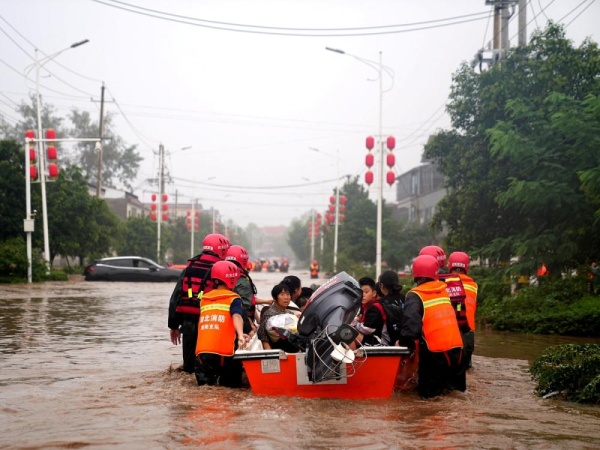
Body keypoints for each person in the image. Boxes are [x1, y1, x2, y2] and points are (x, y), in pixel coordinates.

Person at [400, 254, 466, 399]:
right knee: (456, 396)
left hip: (435, 353)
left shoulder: (415, 295)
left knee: (429, 401)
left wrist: (405, 347)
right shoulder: (444, 290)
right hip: (458, 351)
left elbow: (411, 328)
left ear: (415, 274)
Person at [168, 233, 230, 373]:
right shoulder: (221, 269)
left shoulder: (189, 267)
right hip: (212, 323)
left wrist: (173, 325)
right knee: (210, 367)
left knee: (189, 369)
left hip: (188, 323)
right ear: (221, 250)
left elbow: (176, 296)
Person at [194, 260, 246, 387]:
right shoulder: (233, 298)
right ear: (232, 279)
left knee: (205, 392)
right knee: (230, 391)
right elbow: (237, 315)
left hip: (202, 354)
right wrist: (240, 335)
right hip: (223, 353)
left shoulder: (204, 299)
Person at [448, 251, 478, 368]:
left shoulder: (443, 282)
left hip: (450, 330)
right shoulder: (474, 285)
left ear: (450, 265)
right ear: (466, 267)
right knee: (466, 367)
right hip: (468, 331)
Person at [225, 245, 258, 335]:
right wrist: (250, 327)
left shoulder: (222, 274)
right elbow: (244, 307)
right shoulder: (242, 279)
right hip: (240, 323)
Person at [257, 283, 300, 352]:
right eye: (282, 294)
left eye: (288, 294)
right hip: (277, 350)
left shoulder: (290, 313)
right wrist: (270, 353)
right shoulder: (269, 314)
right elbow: (262, 336)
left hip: (292, 350)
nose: (286, 297)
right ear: (275, 298)